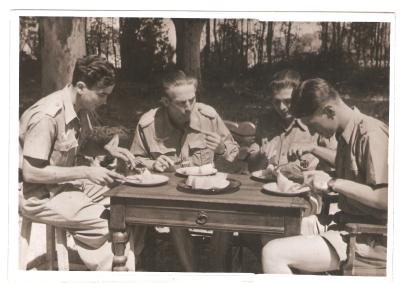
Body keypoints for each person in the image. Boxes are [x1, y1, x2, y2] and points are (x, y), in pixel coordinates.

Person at [19, 55, 145, 271]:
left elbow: (78, 145)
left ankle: (124, 262)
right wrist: (85, 172)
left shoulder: (80, 108)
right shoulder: (47, 117)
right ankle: (116, 268)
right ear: (80, 86)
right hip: (38, 195)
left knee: (130, 200)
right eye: (101, 94)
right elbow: (31, 173)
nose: (105, 101)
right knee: (111, 223)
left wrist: (109, 150)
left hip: (67, 186)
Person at [262, 78, 388, 274]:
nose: (312, 131)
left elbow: (387, 198)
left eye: (313, 125)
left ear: (329, 111)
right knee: (271, 229)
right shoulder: (347, 133)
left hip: (369, 239)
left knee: (273, 253)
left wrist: (334, 182)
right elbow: (354, 173)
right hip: (345, 224)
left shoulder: (370, 134)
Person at [130, 70, 239, 271]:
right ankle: (191, 273)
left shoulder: (209, 116)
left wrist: (222, 149)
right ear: (165, 101)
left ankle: (217, 272)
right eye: (181, 103)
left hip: (208, 194)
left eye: (192, 100)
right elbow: (132, 162)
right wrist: (152, 164)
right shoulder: (148, 124)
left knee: (225, 216)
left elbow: (235, 155)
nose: (189, 107)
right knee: (176, 219)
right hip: (169, 199)